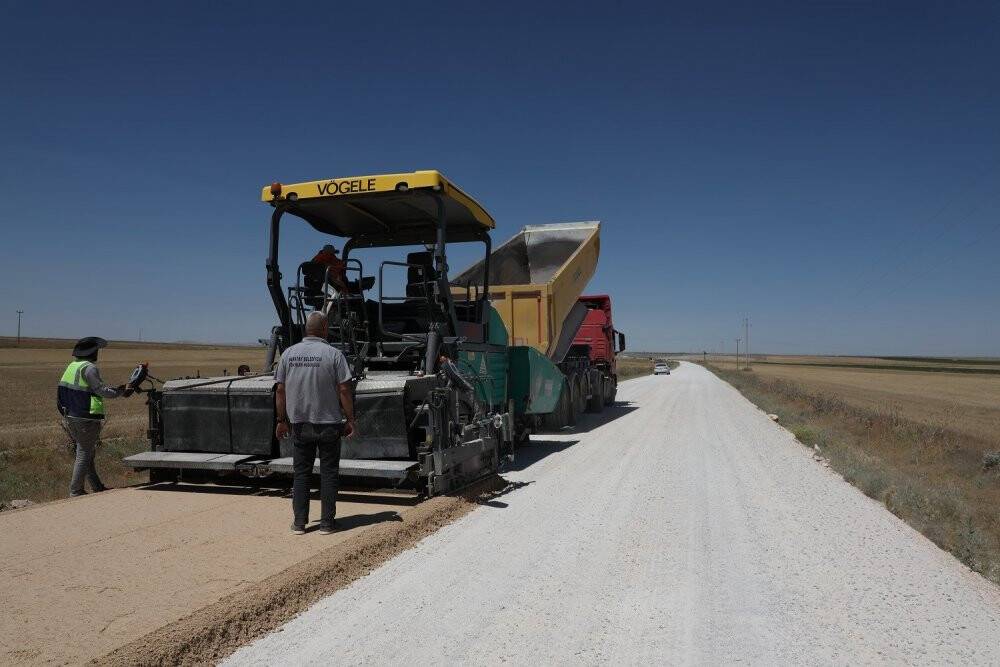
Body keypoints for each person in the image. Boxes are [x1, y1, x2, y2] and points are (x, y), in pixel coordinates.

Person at [274, 311, 355, 535]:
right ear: (325, 328)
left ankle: (300, 523)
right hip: (329, 424)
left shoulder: (289, 354)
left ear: (306, 329)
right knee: (329, 473)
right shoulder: (334, 354)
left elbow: (280, 390)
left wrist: (281, 420)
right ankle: (327, 524)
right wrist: (350, 418)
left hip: (300, 424)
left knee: (301, 474)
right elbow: (344, 389)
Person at [56, 337, 134, 497]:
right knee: (84, 452)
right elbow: (101, 390)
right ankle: (76, 491)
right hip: (86, 417)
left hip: (71, 415)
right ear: (93, 352)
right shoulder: (90, 368)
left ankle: (97, 487)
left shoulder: (72, 366)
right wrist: (120, 392)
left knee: (88, 452)